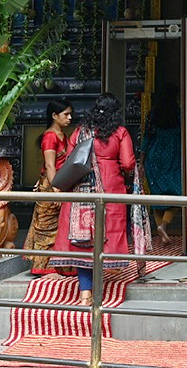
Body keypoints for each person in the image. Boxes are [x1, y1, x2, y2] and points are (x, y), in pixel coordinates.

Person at [51, 93, 139, 306]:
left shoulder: (80, 131)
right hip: (110, 188)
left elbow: (71, 159)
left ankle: (85, 294)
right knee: (105, 238)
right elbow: (128, 163)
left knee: (82, 243)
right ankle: (97, 289)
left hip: (80, 190)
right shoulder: (119, 132)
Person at [22, 99, 75, 275]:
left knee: (60, 226)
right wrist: (57, 190)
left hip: (60, 182)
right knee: (47, 227)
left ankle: (59, 265)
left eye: (70, 114)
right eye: (65, 114)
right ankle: (45, 267)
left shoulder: (62, 135)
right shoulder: (50, 136)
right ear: (54, 116)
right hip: (53, 185)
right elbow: (50, 165)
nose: (70, 117)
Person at [140, 88, 182, 247]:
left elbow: (146, 139)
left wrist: (142, 162)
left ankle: (160, 231)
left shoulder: (153, 114)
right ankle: (163, 225)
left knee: (157, 197)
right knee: (178, 196)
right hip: (173, 158)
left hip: (154, 158)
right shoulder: (178, 114)